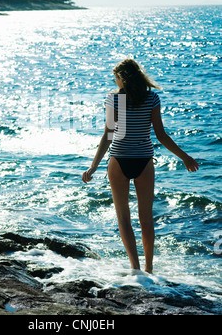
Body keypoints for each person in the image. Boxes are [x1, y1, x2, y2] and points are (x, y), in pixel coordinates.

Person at [82, 58, 199, 274]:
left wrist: (93, 166)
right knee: (146, 218)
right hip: (144, 161)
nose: (114, 80)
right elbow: (161, 135)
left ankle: (135, 269)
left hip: (119, 161)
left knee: (124, 218)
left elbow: (108, 136)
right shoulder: (152, 99)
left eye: (115, 77)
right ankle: (149, 269)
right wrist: (185, 157)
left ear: (122, 78)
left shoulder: (113, 100)